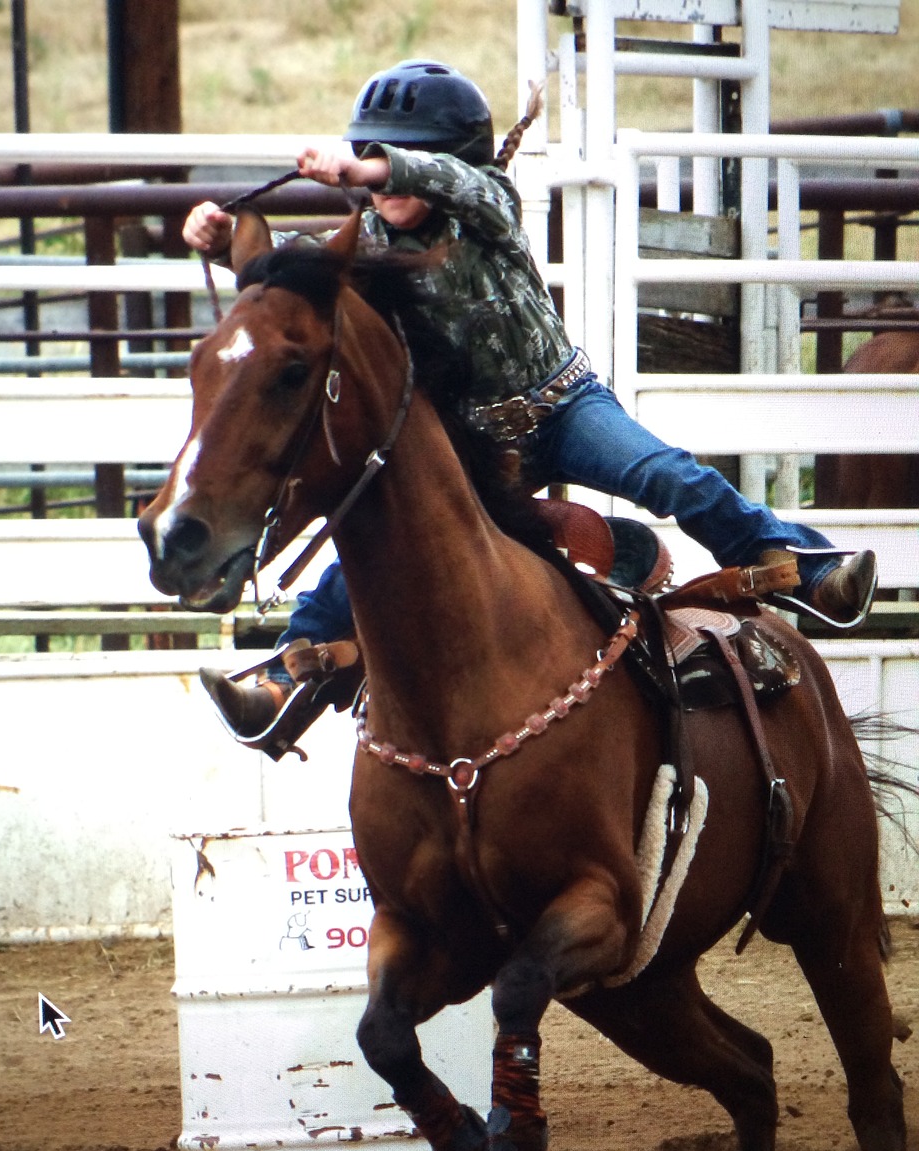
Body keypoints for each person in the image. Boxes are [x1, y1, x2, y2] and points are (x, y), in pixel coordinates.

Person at [183, 59, 877, 749]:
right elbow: (301, 272)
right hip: (479, 446)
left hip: (564, 407)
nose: (380, 172)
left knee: (666, 474)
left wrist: (374, 170)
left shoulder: (488, 208)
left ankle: (807, 569)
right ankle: (288, 673)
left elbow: (454, 184)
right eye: (367, 152)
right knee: (371, 531)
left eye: (397, 158)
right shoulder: (366, 246)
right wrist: (229, 243)